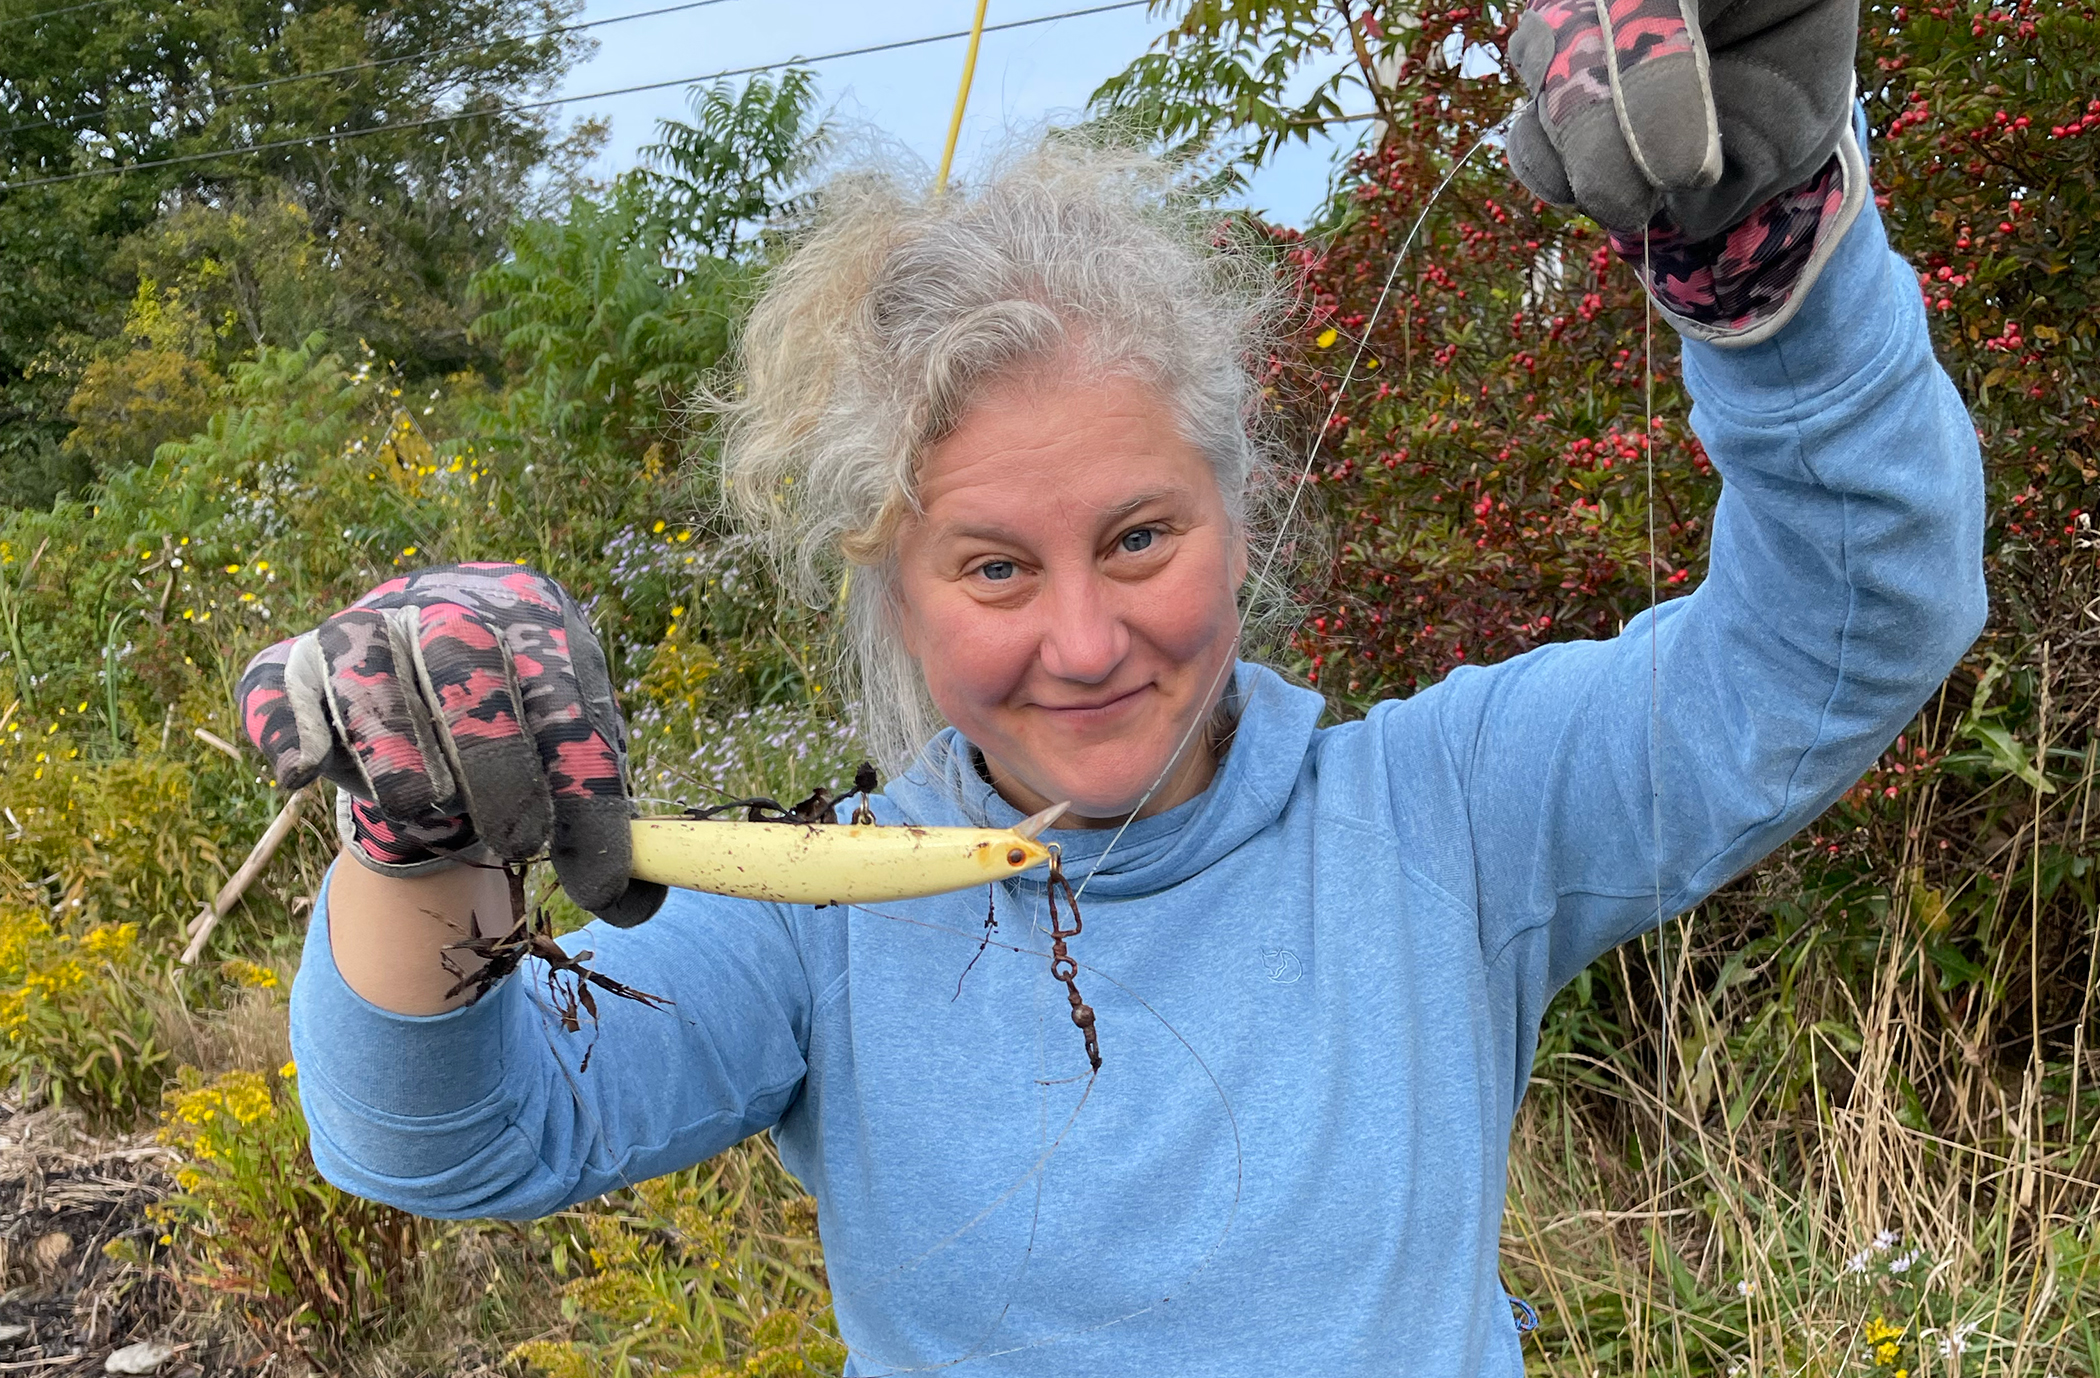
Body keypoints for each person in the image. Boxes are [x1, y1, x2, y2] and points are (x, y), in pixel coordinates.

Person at [242, 0, 1985, 1370]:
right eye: (995, 565)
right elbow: (445, 1143)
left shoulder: (1452, 813)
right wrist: (420, 840)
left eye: (1142, 537)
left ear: (1242, 512)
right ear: (895, 588)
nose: (1084, 642)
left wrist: (1773, 258)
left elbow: (1847, 629)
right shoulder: (812, 919)